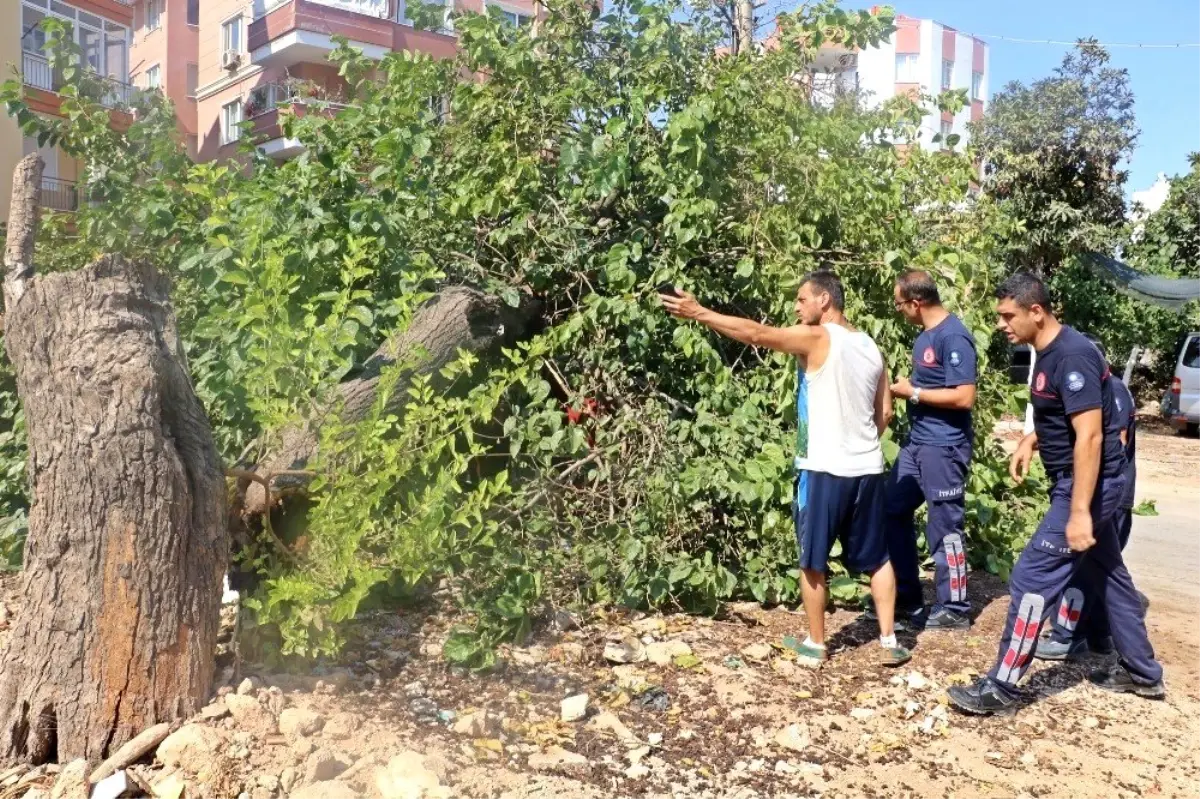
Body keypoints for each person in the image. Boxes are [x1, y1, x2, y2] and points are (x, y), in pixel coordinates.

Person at [659, 270, 911, 668]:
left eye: (801, 299)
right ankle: (888, 640)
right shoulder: (870, 346)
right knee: (878, 557)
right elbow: (885, 412)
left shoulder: (818, 337)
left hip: (823, 468)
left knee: (812, 560)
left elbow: (758, 334)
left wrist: (699, 312)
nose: (796, 307)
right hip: (867, 467)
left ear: (824, 301)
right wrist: (858, 441)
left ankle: (816, 644)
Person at [947, 273, 1164, 715]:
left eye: (1008, 316)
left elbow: (1089, 438)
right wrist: (1031, 441)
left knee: (1031, 578)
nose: (1001, 324)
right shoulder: (1044, 353)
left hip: (1087, 484)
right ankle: (1143, 672)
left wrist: (1080, 511)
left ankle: (1002, 686)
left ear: (1036, 311)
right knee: (1108, 576)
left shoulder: (1073, 355)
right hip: (1080, 482)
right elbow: (1063, 418)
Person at [1035, 335, 1146, 661]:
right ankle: (1100, 638)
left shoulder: (1112, 390)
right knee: (1104, 570)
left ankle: (1067, 636)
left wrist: (1083, 500)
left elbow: (1114, 441)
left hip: (1106, 492)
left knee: (1080, 568)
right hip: (1103, 490)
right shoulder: (1101, 389)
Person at [882, 270, 978, 631]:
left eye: (899, 304)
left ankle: (955, 607)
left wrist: (914, 393)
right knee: (891, 509)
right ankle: (907, 594)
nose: (899, 311)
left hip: (945, 447)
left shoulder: (953, 337)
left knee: (944, 525)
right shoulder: (925, 336)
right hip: (917, 444)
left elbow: (964, 396)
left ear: (916, 302)